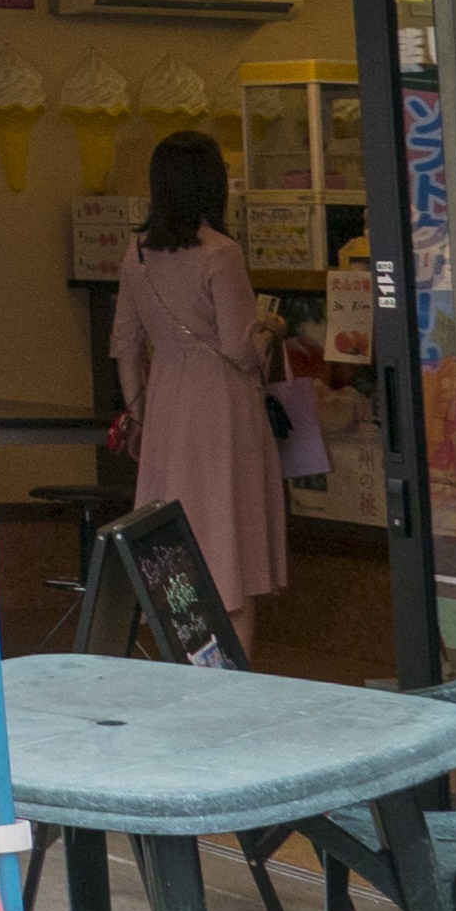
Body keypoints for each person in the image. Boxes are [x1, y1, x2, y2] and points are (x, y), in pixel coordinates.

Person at [112, 128, 289, 655]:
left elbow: (125, 345)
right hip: (222, 406)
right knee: (230, 548)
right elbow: (240, 349)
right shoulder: (222, 253)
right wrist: (271, 329)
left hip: (166, 406)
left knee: (175, 546)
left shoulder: (136, 254)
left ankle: (184, 671)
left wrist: (139, 414)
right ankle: (233, 682)